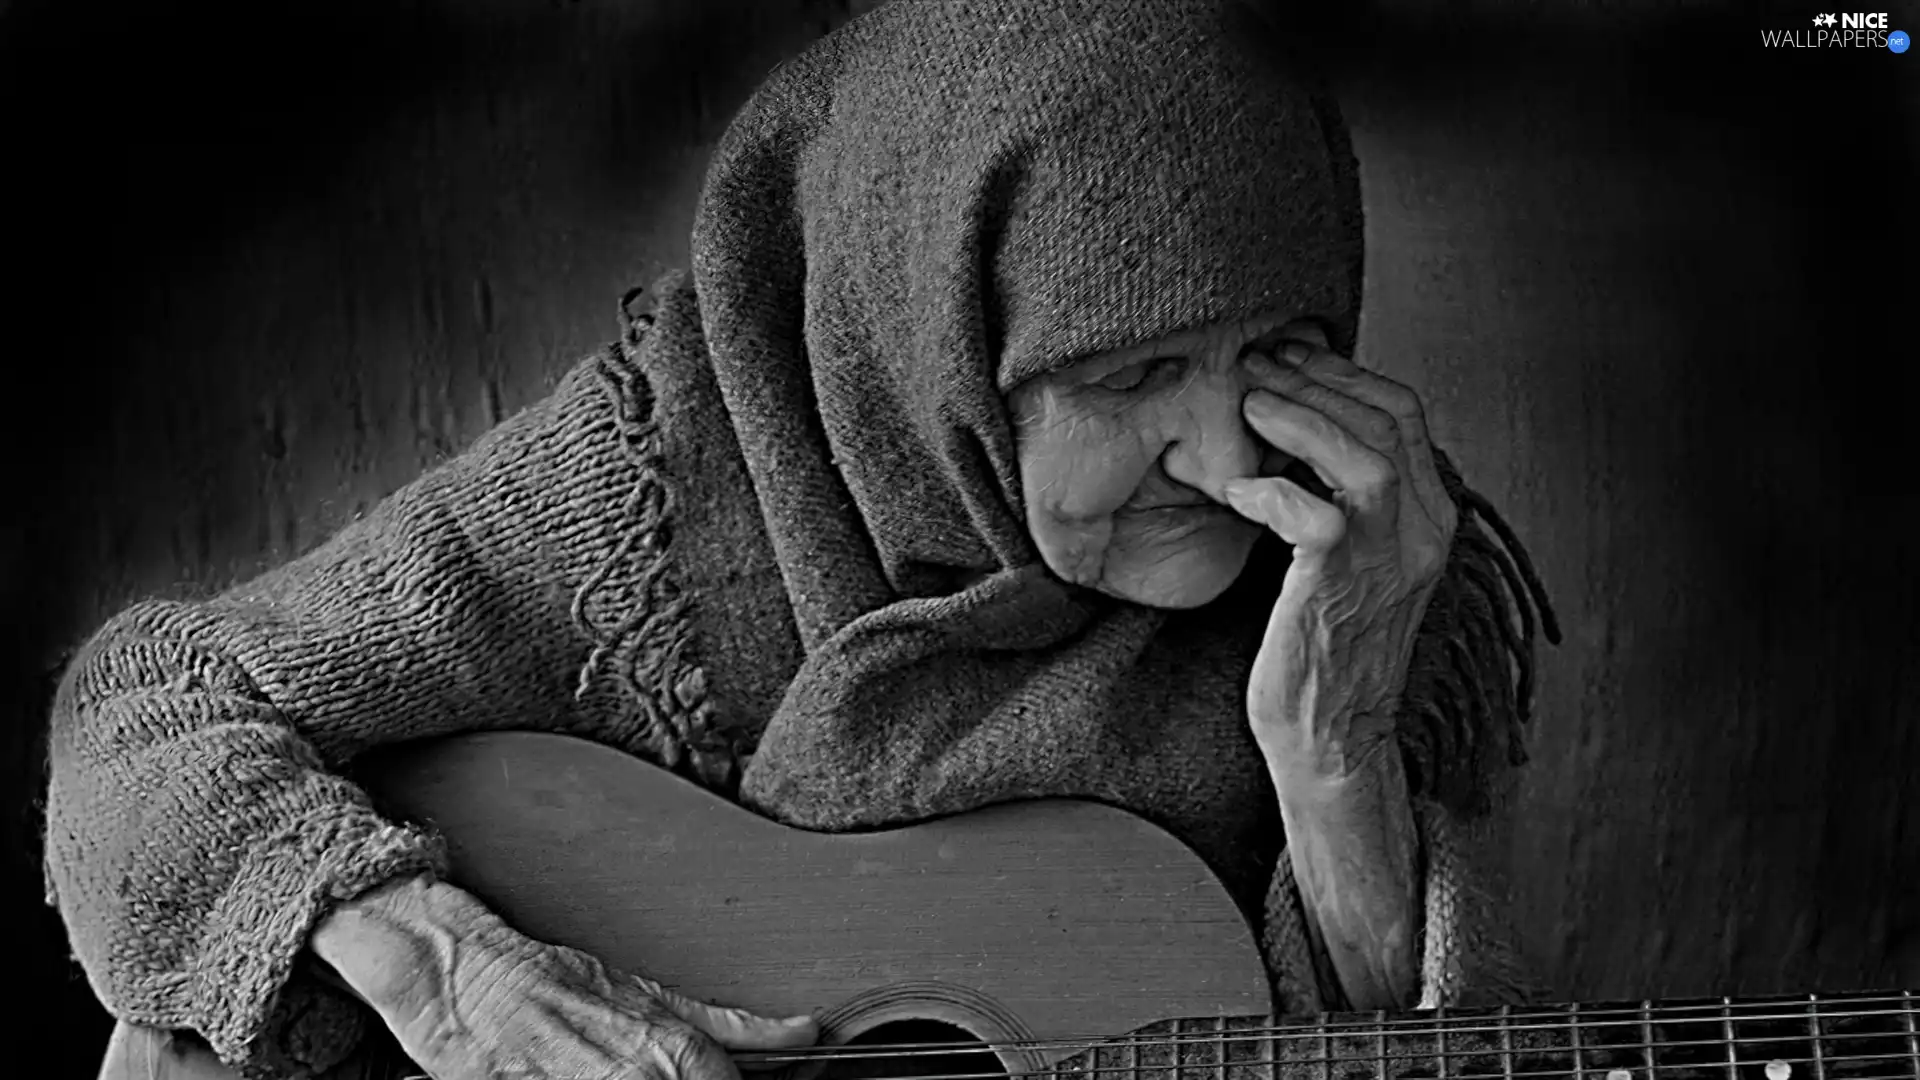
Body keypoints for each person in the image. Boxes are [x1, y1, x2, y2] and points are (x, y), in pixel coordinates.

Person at [44, 1, 1561, 1078]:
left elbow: (1408, 1055)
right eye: (1130, 373)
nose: (1230, 458)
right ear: (930, 349)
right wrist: (453, 977)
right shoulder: (648, 491)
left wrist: (1340, 744)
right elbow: (144, 715)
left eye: (1281, 351)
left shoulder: (1349, 565)